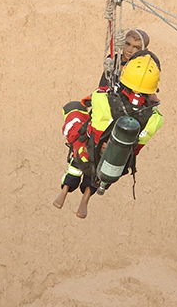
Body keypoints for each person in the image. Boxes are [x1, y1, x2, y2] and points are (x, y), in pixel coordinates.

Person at [54, 51, 164, 218]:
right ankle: (85, 198)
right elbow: (137, 147)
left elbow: (90, 112)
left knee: (74, 113)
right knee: (92, 164)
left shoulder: (103, 98)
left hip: (86, 154)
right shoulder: (155, 118)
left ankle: (65, 188)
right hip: (114, 166)